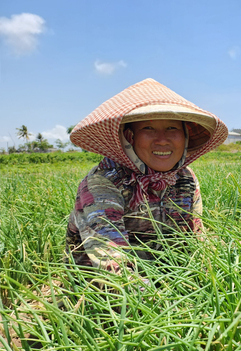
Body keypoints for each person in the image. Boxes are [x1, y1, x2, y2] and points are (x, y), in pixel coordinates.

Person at [66, 78, 228, 276]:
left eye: (172, 128)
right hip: (100, 289)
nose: (162, 140)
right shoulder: (103, 183)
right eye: (148, 128)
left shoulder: (185, 179)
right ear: (129, 137)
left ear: (185, 136)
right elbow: (113, 266)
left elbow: (196, 239)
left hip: (167, 275)